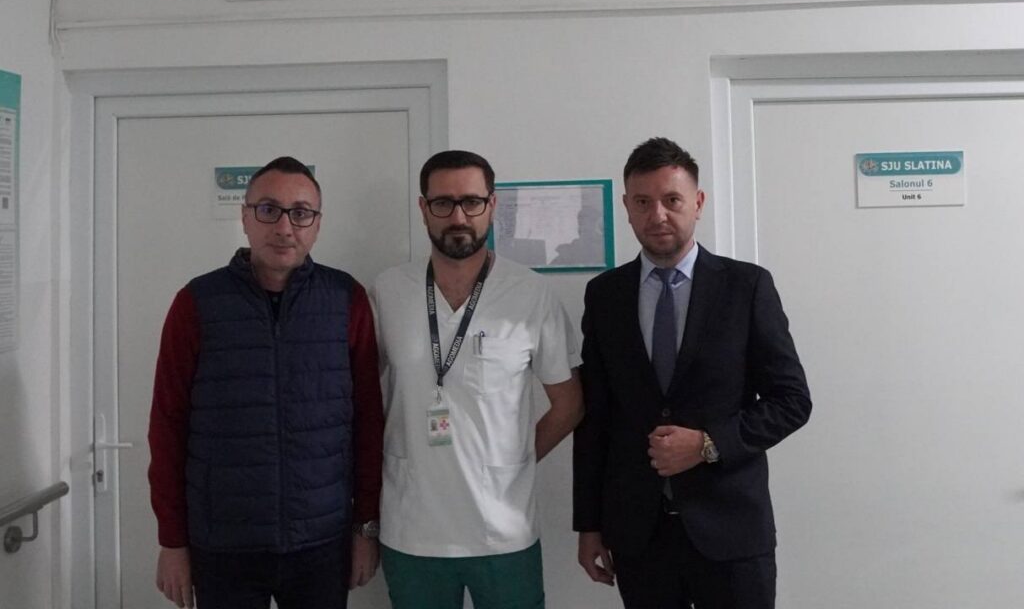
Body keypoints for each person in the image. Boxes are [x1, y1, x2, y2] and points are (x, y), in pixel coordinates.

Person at [573, 138, 811, 609]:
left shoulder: (746, 287)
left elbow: (792, 401)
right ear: (626, 207)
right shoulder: (605, 295)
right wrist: (590, 525)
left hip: (732, 531)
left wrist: (707, 445)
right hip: (639, 534)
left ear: (697, 203)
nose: (657, 215)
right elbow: (595, 416)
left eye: (672, 200)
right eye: (643, 202)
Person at [148, 156, 384, 609]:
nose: (284, 226)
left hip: (322, 540)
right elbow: (167, 424)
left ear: (317, 224)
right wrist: (172, 542)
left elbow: (368, 424)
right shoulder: (196, 303)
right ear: (245, 216)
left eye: (301, 213)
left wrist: (364, 528)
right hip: (224, 544)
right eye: (268, 210)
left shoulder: (346, 300)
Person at [370, 150, 584, 609]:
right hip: (412, 532)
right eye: (443, 203)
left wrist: (516, 458)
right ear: (423, 208)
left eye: (472, 201)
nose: (458, 216)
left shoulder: (530, 293)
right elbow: (359, 400)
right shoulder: (388, 291)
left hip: (504, 531)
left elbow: (569, 404)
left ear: (492, 205)